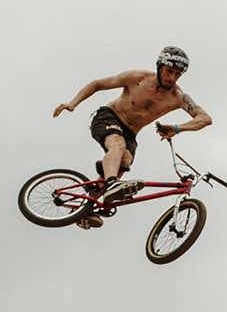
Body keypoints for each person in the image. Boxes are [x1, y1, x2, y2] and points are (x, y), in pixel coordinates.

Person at [52, 46, 210, 223]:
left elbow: (204, 118)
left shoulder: (178, 97)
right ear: (159, 66)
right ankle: (111, 182)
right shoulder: (137, 78)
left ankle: (86, 207)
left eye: (177, 74)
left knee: (125, 160)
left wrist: (177, 128)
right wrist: (73, 103)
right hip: (108, 116)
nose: (171, 78)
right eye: (169, 71)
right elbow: (98, 84)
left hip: (131, 134)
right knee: (117, 146)